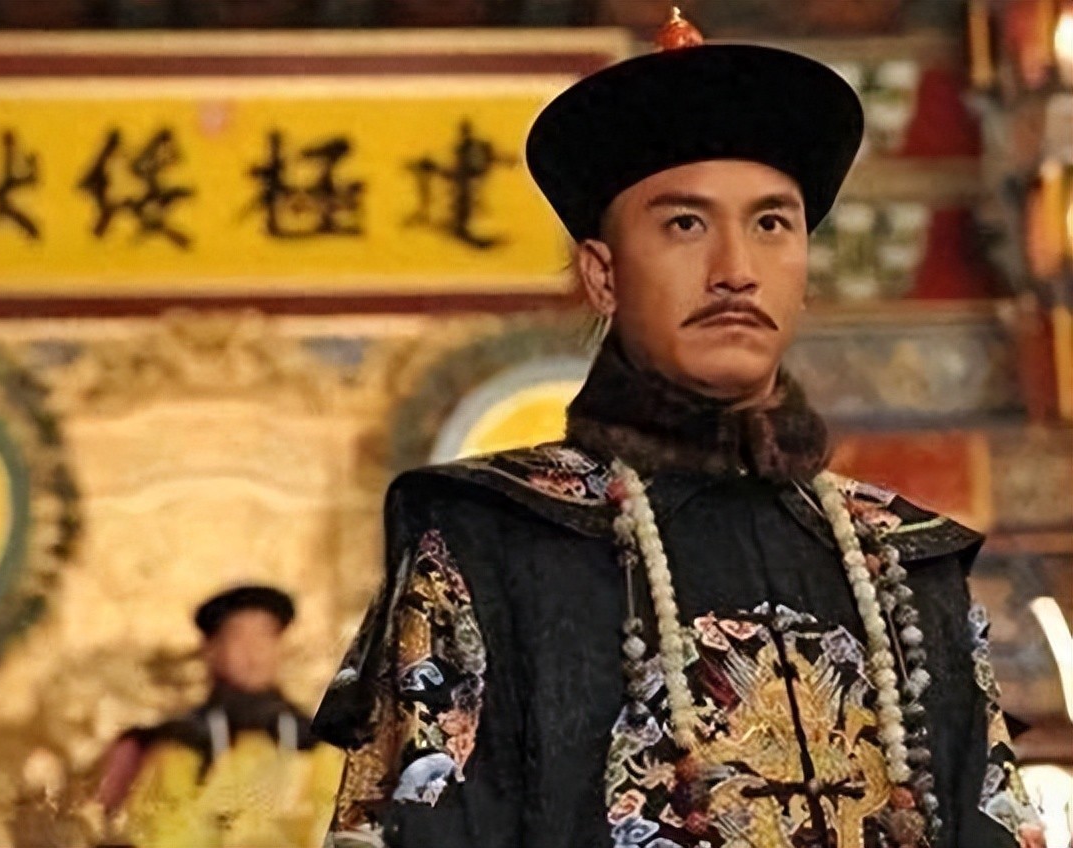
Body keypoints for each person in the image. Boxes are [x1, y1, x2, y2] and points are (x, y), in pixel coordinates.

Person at [313, 12, 1047, 848]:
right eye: (685, 225)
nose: (736, 270)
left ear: (805, 270)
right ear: (602, 275)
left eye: (771, 224)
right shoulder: (489, 540)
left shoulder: (902, 561)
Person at [98, 585, 341, 847]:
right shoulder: (175, 747)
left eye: (264, 636)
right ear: (211, 650)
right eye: (239, 637)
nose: (253, 651)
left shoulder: (318, 747)